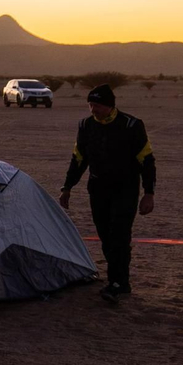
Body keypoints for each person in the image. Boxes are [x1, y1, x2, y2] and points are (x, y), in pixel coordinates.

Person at [59, 84, 156, 303]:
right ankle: (119, 280)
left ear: (110, 106)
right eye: (91, 105)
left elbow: (147, 160)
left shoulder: (131, 125)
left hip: (125, 190)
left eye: (98, 105)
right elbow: (78, 159)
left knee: (119, 235)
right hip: (98, 190)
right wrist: (67, 187)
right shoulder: (86, 125)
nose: (94, 110)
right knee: (105, 236)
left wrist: (149, 193)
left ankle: (117, 283)